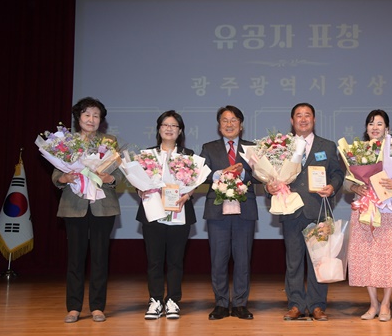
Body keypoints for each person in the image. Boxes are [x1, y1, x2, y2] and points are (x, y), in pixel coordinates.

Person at [266, 103, 345, 321]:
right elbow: (270, 175)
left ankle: (317, 305)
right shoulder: (280, 147)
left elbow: (337, 173)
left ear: (314, 119)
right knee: (293, 262)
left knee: (319, 261)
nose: (303, 119)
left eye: (307, 115)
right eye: (298, 116)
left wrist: (332, 187)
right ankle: (296, 304)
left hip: (317, 210)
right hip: (290, 209)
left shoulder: (327, 146)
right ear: (292, 121)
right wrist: (269, 186)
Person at [52, 97, 123, 323]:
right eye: (87, 115)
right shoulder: (66, 143)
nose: (91, 119)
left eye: (96, 115)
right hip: (75, 206)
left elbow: (120, 174)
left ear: (101, 120)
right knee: (75, 258)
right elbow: (56, 176)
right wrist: (64, 177)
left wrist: (110, 178)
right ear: (78, 117)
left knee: (100, 258)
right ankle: (74, 307)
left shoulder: (109, 142)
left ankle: (97, 307)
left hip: (102, 206)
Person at [344, 109, 392, 322]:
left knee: (389, 257)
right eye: (371, 123)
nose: (375, 127)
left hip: (388, 210)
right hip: (365, 209)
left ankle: (386, 303)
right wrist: (356, 188)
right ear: (366, 128)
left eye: (379, 124)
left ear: (387, 128)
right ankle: (373, 304)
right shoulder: (358, 150)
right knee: (366, 257)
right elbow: (347, 181)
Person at [200, 105, 259, 320]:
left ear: (241, 125)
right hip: (218, 211)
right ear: (219, 126)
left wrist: (243, 174)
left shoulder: (252, 148)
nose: (229, 124)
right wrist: (219, 174)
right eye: (225, 120)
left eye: (234, 120)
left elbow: (261, 176)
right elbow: (201, 175)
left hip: (244, 210)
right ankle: (221, 303)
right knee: (218, 259)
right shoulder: (209, 148)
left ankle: (241, 303)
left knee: (243, 260)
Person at [136, 110, 196, 320]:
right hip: (153, 213)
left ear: (180, 131)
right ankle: (155, 300)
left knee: (175, 261)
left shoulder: (188, 155)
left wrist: (188, 194)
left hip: (179, 212)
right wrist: (140, 190)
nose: (169, 129)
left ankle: (173, 300)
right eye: (165, 125)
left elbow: (194, 183)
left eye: (174, 126)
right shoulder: (147, 155)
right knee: (154, 261)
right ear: (159, 129)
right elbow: (137, 181)